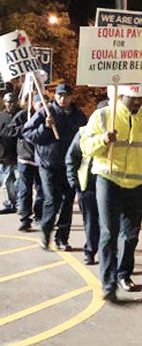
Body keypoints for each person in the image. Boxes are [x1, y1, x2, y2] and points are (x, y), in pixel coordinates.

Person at [80, 84, 142, 301]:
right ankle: (108, 284)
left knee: (130, 235)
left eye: (141, 99)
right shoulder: (103, 116)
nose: (137, 102)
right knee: (109, 233)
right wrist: (103, 140)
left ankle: (124, 275)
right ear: (121, 96)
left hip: (139, 184)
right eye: (133, 98)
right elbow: (86, 146)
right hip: (110, 180)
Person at [23, 84, 86, 251]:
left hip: (70, 165)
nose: (62, 99)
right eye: (59, 95)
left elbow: (86, 137)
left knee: (67, 202)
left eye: (66, 95)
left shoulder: (78, 115)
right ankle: (46, 232)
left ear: (71, 97)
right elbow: (28, 134)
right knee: (52, 200)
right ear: (55, 96)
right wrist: (45, 126)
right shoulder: (46, 112)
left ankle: (62, 238)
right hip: (48, 164)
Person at [66, 100, 108, 266]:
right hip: (88, 186)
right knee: (91, 222)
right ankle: (90, 251)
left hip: (111, 185)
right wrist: (73, 181)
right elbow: (71, 157)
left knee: (109, 224)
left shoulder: (118, 133)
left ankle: (109, 256)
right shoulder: (84, 133)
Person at [5, 95, 44, 231]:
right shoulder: (23, 115)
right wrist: (24, 128)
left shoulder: (49, 115)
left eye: (44, 103)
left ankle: (39, 216)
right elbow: (9, 131)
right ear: (34, 104)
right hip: (25, 158)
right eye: (39, 103)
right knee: (25, 190)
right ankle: (25, 219)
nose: (42, 106)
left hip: (42, 159)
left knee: (41, 190)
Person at [0, 92, 19, 213]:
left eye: (13, 102)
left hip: (20, 154)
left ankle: (19, 202)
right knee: (7, 181)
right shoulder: (1, 116)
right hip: (4, 154)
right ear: (4, 102)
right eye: (8, 102)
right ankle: (10, 203)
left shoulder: (22, 114)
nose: (11, 104)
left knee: (19, 180)